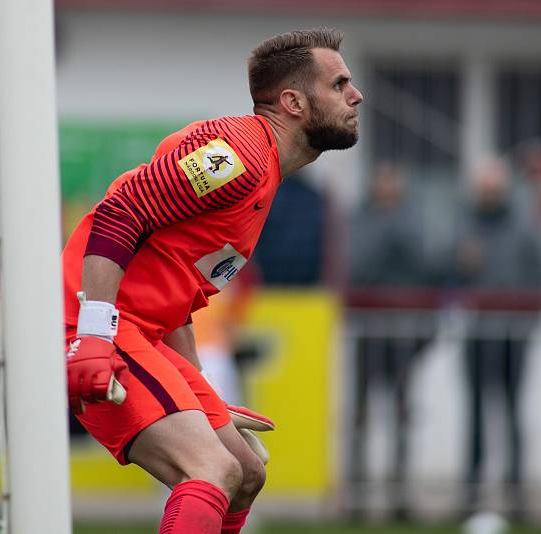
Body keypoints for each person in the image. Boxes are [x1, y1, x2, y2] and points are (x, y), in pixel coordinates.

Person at [62, 28, 363, 534]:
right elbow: (119, 215)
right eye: (338, 84)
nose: (356, 95)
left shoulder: (263, 174)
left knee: (246, 473)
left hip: (138, 331)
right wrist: (93, 332)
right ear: (292, 102)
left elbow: (174, 293)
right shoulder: (240, 154)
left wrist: (197, 384)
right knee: (213, 469)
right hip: (92, 323)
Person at [451, 157, 541, 520]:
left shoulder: (524, 230)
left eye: (494, 187)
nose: (488, 193)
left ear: (504, 190)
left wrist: (528, 328)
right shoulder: (465, 226)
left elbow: (539, 282)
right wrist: (459, 263)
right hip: (476, 335)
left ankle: (516, 495)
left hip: (513, 337)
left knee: (512, 414)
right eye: (483, 188)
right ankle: (471, 496)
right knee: (474, 414)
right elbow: (446, 273)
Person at [346, 161, 439, 519]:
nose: (389, 188)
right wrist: (389, 239)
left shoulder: (413, 220)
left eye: (394, 181)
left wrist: (396, 238)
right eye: (383, 181)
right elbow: (355, 265)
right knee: (361, 414)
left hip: (404, 328)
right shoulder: (361, 219)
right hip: (368, 326)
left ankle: (399, 495)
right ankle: (357, 495)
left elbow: (427, 266)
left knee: (402, 413)